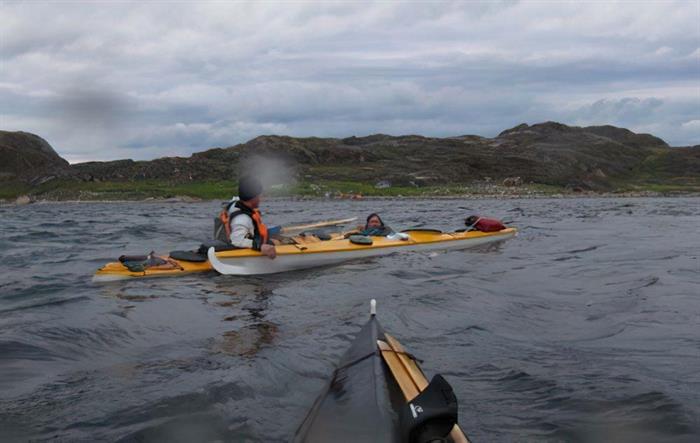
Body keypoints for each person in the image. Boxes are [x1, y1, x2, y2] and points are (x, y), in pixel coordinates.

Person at [227, 176, 276, 259]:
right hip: (241, 254)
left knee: (274, 240)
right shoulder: (242, 219)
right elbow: (236, 240)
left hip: (252, 236)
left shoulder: (236, 204)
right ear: (254, 198)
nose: (261, 199)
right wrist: (260, 246)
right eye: (259, 196)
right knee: (274, 243)